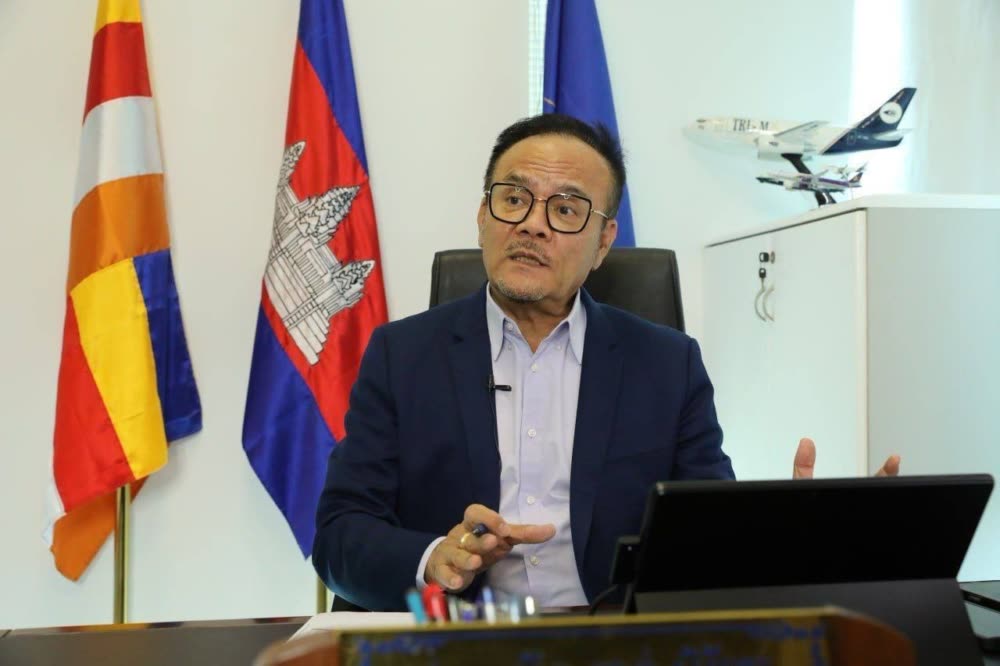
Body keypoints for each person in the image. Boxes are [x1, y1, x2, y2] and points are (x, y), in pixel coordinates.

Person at [312, 114, 900, 611]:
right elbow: (340, 534)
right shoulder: (402, 356)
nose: (532, 224)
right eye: (513, 199)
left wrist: (800, 532)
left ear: (603, 242)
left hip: (611, 638)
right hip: (458, 640)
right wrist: (432, 560)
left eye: (566, 209)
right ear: (483, 215)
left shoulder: (667, 365)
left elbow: (705, 533)